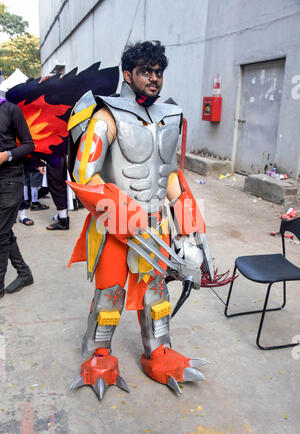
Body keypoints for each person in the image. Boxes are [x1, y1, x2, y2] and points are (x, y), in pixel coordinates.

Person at [67, 41, 210, 400]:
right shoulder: (105, 116)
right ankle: (99, 354)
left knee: (157, 293)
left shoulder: (170, 116)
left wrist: (190, 233)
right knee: (111, 294)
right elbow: (84, 175)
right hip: (116, 225)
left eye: (158, 72)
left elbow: (172, 178)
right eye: (146, 72)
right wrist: (124, 218)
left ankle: (158, 351)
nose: (154, 79)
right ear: (128, 74)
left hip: (156, 225)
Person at [0, 96, 35, 298]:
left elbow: (29, 144)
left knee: (1, 233)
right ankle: (24, 273)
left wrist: (7, 155)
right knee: (3, 230)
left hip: (10, 177)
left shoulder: (10, 109)